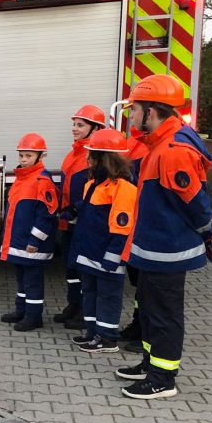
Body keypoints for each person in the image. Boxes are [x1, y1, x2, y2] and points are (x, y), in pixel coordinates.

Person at [117, 73, 212, 399]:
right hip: (153, 247)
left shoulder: (173, 150)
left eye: (135, 108)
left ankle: (163, 377)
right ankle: (150, 362)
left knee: (163, 313)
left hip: (168, 250)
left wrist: (210, 234)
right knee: (147, 308)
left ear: (152, 111)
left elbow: (196, 202)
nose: (130, 115)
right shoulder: (159, 143)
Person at [66, 128, 137, 353]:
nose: (87, 160)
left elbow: (122, 227)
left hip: (106, 255)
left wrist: (112, 258)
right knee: (90, 294)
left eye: (91, 156)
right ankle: (92, 332)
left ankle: (107, 338)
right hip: (89, 252)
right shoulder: (93, 184)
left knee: (107, 297)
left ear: (104, 159)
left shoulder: (124, 189)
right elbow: (90, 211)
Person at [0, 133, 60, 332]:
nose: (24, 159)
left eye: (28, 156)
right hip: (19, 241)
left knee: (33, 282)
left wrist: (35, 240)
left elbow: (46, 216)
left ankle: (34, 317)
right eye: (22, 155)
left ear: (40, 156)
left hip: (31, 244)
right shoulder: (21, 178)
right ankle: (21, 310)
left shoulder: (42, 181)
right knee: (22, 279)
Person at [54, 105, 106, 330]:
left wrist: (76, 209)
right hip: (70, 222)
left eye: (80, 125)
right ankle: (73, 305)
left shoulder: (96, 157)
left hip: (85, 222)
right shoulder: (73, 154)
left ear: (95, 128)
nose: (74, 129)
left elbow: (95, 191)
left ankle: (86, 312)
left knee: (85, 269)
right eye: (74, 124)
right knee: (71, 267)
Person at [117, 126, 150, 353]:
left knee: (148, 288)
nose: (132, 117)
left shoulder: (152, 148)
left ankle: (146, 334)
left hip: (146, 226)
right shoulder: (135, 145)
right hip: (134, 224)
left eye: (136, 109)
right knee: (139, 284)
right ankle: (138, 326)